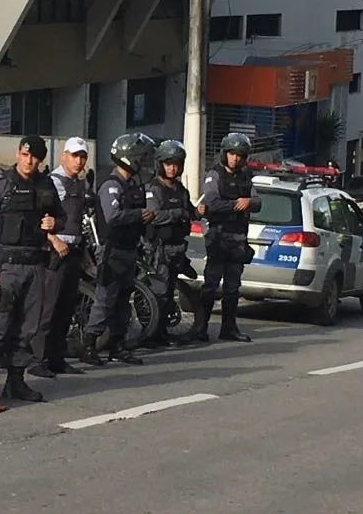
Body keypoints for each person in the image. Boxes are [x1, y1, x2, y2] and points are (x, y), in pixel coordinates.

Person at [0, 135, 64, 402]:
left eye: (35, 157)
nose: (29, 161)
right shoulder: (0, 185)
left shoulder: (46, 185)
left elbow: (62, 216)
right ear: (18, 154)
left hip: (35, 264)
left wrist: (53, 222)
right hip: (7, 266)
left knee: (28, 327)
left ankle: (16, 381)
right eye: (25, 155)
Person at [82, 132, 156, 366]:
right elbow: (112, 216)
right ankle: (89, 345)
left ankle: (117, 344)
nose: (144, 163)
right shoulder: (111, 186)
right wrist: (138, 215)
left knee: (124, 301)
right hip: (112, 252)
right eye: (141, 158)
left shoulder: (132, 185)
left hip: (129, 249)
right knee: (105, 300)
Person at [28, 137, 90, 379]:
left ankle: (56, 358)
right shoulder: (51, 182)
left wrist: (83, 252)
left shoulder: (79, 184)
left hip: (73, 251)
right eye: (74, 155)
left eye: (82, 156)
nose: (78, 161)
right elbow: (39, 217)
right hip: (54, 252)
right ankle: (37, 359)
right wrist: (54, 240)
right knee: (48, 307)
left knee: (66, 308)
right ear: (63, 156)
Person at [197, 132, 260, 343]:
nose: (236, 159)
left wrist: (249, 202)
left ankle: (229, 328)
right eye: (232, 154)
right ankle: (200, 328)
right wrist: (237, 204)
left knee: (233, 288)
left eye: (240, 155)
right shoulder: (214, 175)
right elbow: (212, 202)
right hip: (218, 236)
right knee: (211, 285)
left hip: (238, 238)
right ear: (225, 154)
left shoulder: (245, 177)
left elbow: (258, 201)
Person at [141, 139, 201, 348]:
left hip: (177, 248)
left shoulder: (180, 189)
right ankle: (152, 335)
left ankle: (162, 332)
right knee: (159, 291)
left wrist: (197, 212)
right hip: (158, 249)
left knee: (168, 293)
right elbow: (153, 215)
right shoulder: (153, 188)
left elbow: (190, 210)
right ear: (160, 164)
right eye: (168, 163)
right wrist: (178, 213)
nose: (172, 168)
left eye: (176, 164)